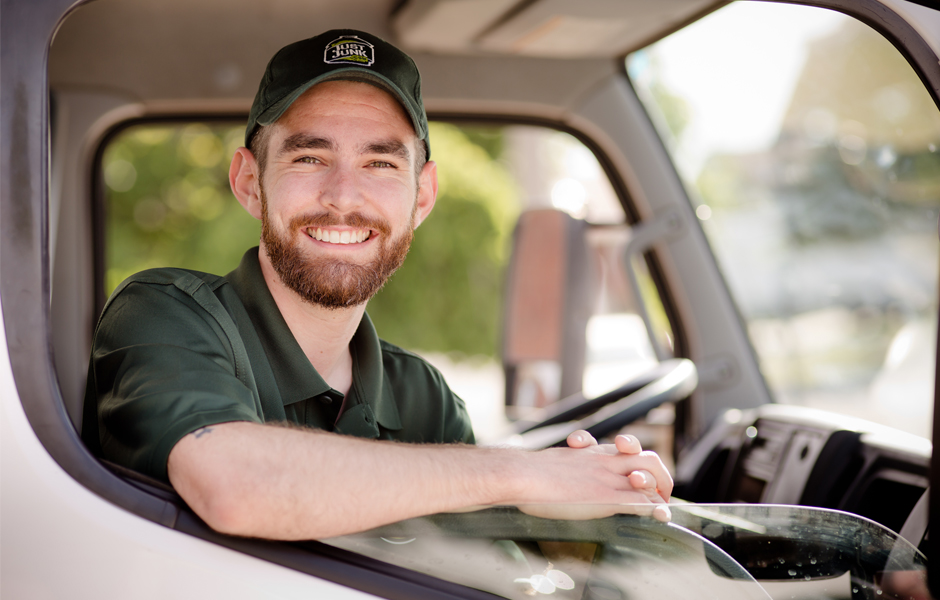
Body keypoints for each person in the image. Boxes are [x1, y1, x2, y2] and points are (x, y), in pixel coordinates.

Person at [83, 29, 672, 541]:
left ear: (422, 197)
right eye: (309, 158)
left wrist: (607, 508)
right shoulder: (162, 314)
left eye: (381, 164)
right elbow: (236, 486)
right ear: (249, 182)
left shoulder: (423, 396)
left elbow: (484, 568)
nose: (343, 196)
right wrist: (520, 472)